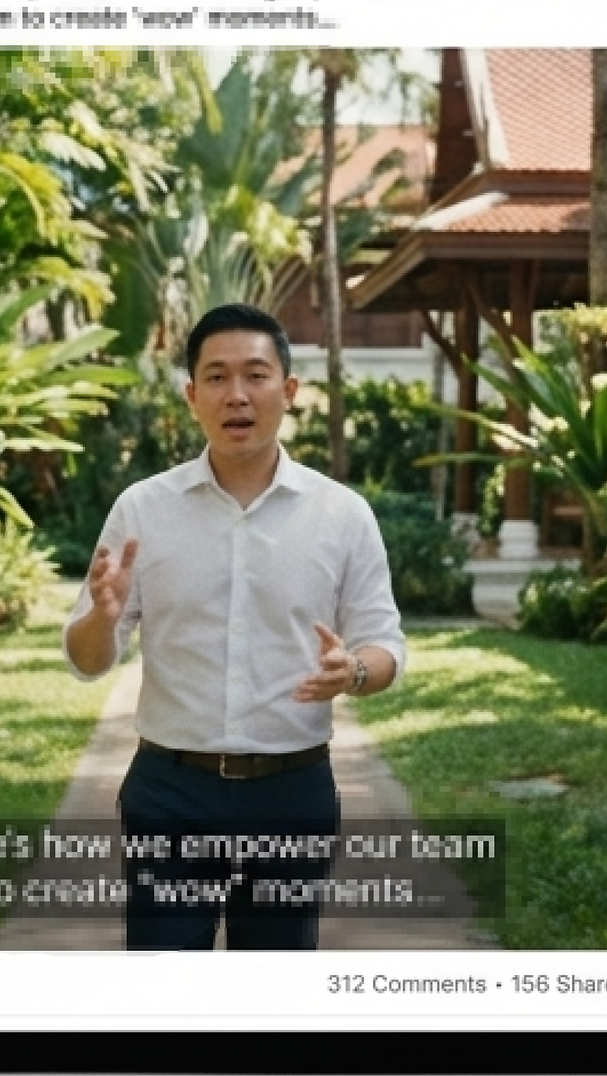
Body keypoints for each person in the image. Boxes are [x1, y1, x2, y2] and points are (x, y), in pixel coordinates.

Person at [63, 303, 406, 950]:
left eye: (255, 374)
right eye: (216, 377)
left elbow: (385, 644)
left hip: (293, 792)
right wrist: (102, 619)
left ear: (289, 389)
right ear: (192, 395)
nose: (237, 395)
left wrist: (354, 671)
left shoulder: (342, 514)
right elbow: (87, 659)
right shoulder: (143, 509)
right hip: (170, 791)